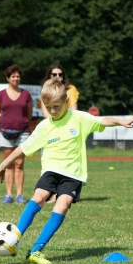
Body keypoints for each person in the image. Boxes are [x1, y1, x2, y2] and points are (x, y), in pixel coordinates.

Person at [0, 79, 133, 264]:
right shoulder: (44, 126)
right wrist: (3, 164)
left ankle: (35, 251)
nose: (53, 111)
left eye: (56, 106)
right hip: (51, 170)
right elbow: (23, 147)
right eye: (48, 107)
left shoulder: (79, 118)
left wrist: (121, 121)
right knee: (38, 197)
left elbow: (103, 120)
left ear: (66, 103)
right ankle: (13, 239)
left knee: (61, 206)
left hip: (73, 174)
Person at [0, 64, 33, 204]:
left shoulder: (26, 94)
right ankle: (9, 194)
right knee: (9, 164)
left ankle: (20, 195)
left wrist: (20, 124)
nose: (16, 78)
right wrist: (6, 125)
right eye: (13, 76)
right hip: (5, 134)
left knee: (19, 164)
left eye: (18, 76)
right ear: (8, 78)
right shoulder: (1, 94)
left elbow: (29, 114)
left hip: (23, 133)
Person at [41, 64, 80, 204]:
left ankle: (62, 193)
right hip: (52, 129)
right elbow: (46, 113)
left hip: (67, 129)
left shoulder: (71, 90)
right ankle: (52, 192)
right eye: (54, 74)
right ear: (49, 76)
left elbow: (74, 110)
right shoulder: (46, 91)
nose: (57, 77)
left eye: (60, 74)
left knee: (66, 161)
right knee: (51, 162)